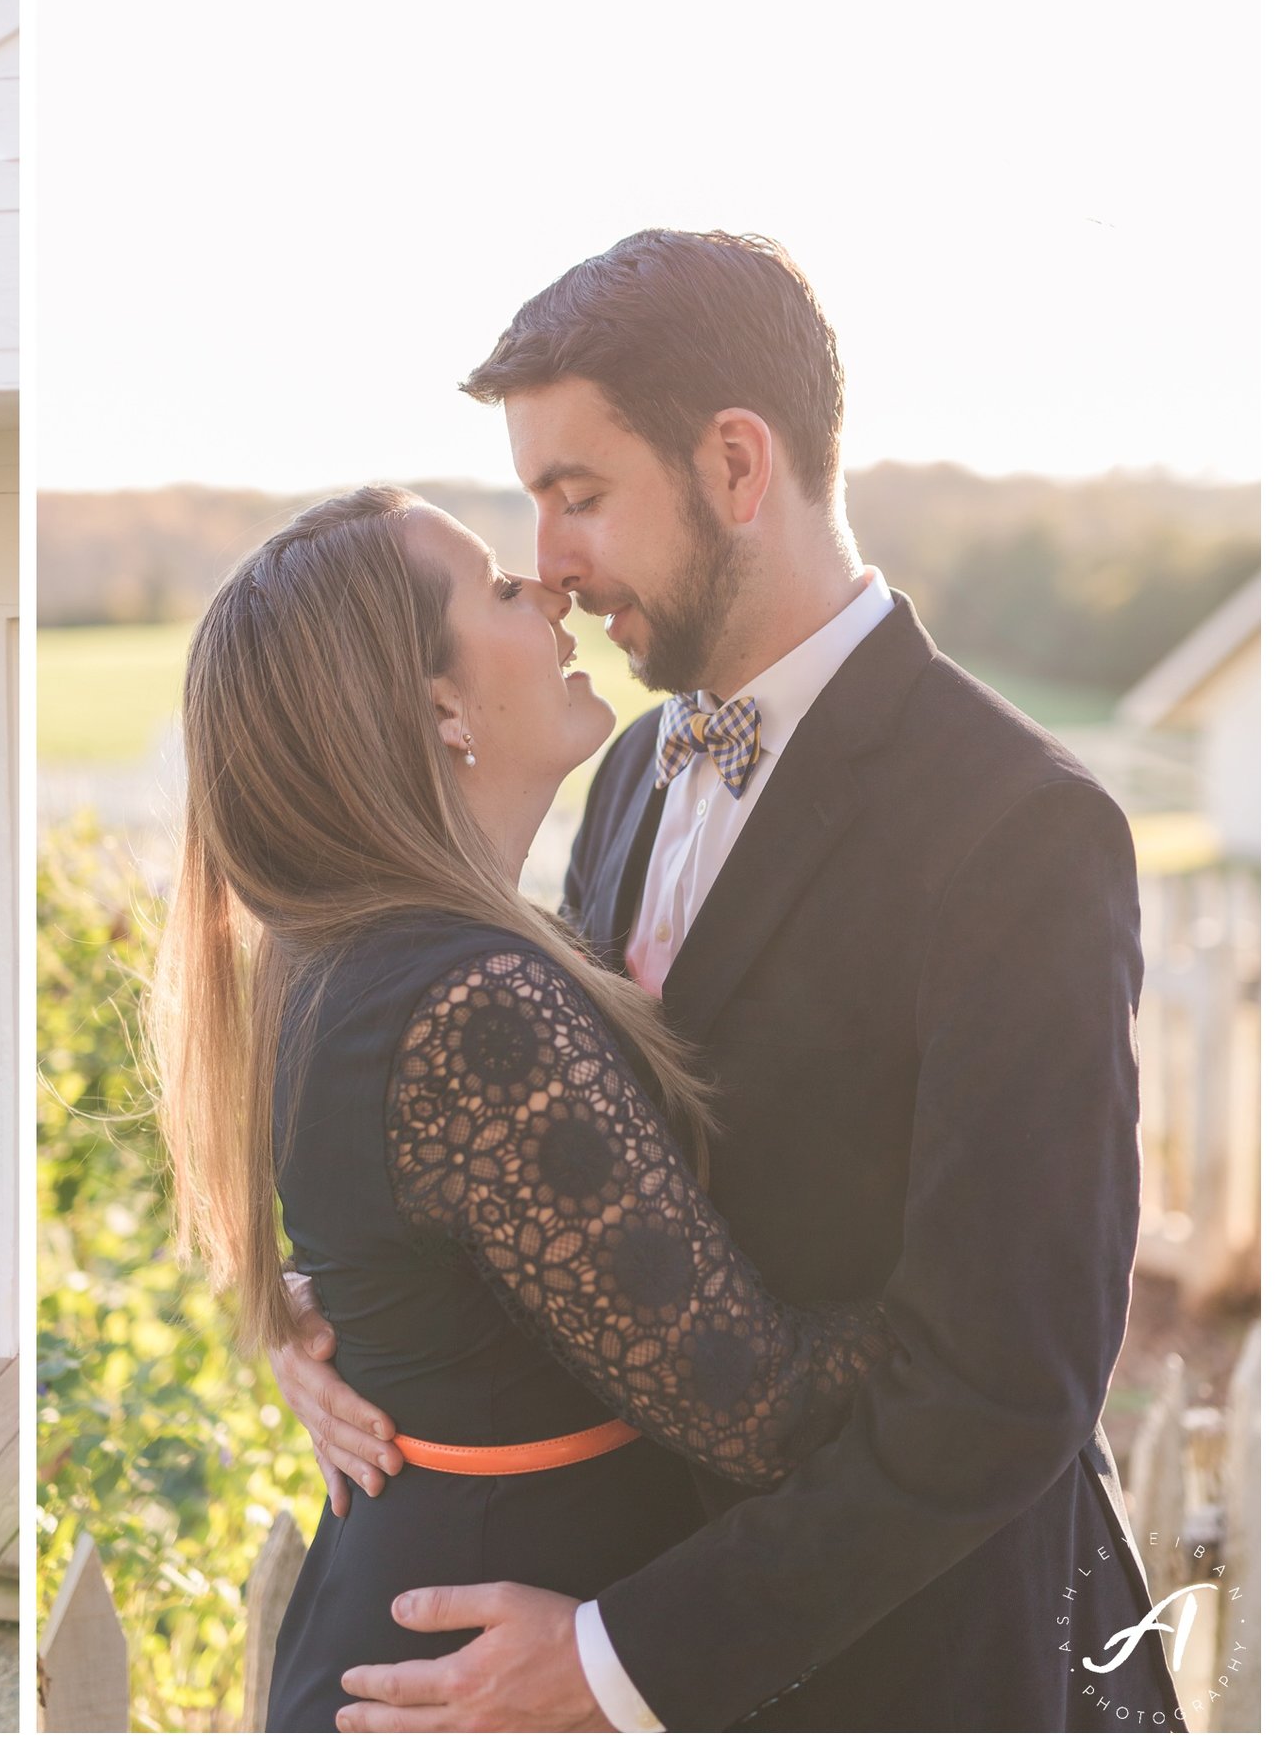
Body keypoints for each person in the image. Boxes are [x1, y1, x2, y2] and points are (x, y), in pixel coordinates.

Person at [269, 231, 1181, 1730]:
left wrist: (619, 1659)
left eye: (579, 496)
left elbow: (1006, 1382)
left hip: (906, 1667)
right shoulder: (630, 768)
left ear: (739, 466)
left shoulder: (1020, 830)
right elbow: (559, 1173)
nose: (550, 562)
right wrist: (344, 1320)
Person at [153, 480, 901, 1734]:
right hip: (479, 1662)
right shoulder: (470, 1002)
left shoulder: (344, 950)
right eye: (500, 584)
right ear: (436, 704)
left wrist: (305, 1318)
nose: (549, 590)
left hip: (424, 1611)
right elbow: (758, 1408)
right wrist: (987, 1303)